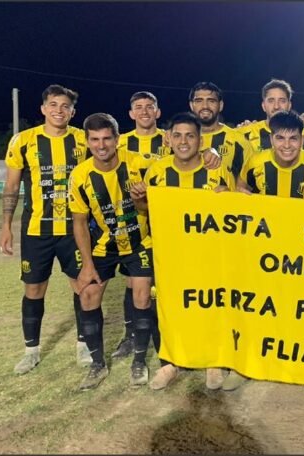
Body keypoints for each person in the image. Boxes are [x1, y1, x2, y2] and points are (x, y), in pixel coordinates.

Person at [130, 112, 235, 391]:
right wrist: (139, 200)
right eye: (177, 135)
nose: (183, 141)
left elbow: (235, 212)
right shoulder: (158, 171)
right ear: (168, 139)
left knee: (211, 303)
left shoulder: (217, 170)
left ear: (201, 140)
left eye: (190, 135)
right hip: (169, 252)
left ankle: (214, 362)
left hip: (207, 251)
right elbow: (146, 209)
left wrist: (228, 196)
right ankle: (170, 362)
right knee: (169, 306)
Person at [233, 110, 304, 392]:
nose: (287, 145)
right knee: (259, 306)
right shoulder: (256, 162)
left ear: (302, 140)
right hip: (263, 250)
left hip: (303, 252)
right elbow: (241, 190)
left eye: (293, 138)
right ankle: (246, 364)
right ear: (271, 138)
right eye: (280, 138)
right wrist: (238, 196)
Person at [0, 84, 91, 374]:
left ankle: (83, 346)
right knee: (34, 288)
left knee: (82, 287)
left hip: (74, 230)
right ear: (43, 109)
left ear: (73, 111)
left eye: (65, 106)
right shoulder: (23, 141)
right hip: (37, 230)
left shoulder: (83, 140)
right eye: (53, 104)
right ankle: (31, 351)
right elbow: (12, 187)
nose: (59, 110)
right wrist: (6, 227)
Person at [68, 113, 154, 390]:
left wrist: (210, 153)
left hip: (140, 242)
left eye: (107, 138)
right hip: (104, 245)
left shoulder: (139, 163)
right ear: (87, 141)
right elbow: (79, 222)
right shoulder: (80, 175)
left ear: (117, 139)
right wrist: (87, 264)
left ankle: (139, 360)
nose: (101, 145)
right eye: (95, 139)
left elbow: (174, 166)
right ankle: (97, 365)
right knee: (89, 295)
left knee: (142, 295)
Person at [110, 91, 167, 361]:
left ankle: (165, 334)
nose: (144, 111)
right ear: (131, 114)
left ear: (157, 112)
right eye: (138, 107)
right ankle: (130, 336)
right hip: (132, 220)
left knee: (166, 281)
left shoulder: (170, 139)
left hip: (166, 219)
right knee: (134, 282)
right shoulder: (119, 143)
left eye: (149, 107)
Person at [188, 81, 254, 178]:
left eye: (211, 101)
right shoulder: (179, 139)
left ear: (221, 105)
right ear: (191, 105)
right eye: (199, 101)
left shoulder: (239, 141)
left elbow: (251, 182)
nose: (205, 106)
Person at [237, 79, 294, 154]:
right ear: (263, 106)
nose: (276, 106)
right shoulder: (246, 134)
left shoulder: (303, 133)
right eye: (271, 101)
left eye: (282, 101)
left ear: (289, 105)